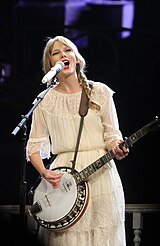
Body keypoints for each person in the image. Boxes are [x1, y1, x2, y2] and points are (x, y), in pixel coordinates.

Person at [26, 35, 129, 246]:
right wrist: (44, 173)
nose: (63, 55)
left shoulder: (99, 92)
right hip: (62, 181)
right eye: (56, 53)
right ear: (50, 64)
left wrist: (117, 148)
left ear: (76, 57)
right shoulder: (45, 100)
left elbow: (112, 135)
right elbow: (34, 146)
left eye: (67, 50)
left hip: (101, 175)